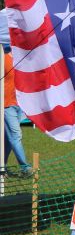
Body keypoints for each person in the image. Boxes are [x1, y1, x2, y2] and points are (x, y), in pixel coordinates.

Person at [2, 48, 32, 177]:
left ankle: (1, 166)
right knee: (15, 135)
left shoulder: (23, 58)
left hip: (19, 104)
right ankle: (25, 168)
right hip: (6, 104)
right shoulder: (3, 59)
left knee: (9, 139)